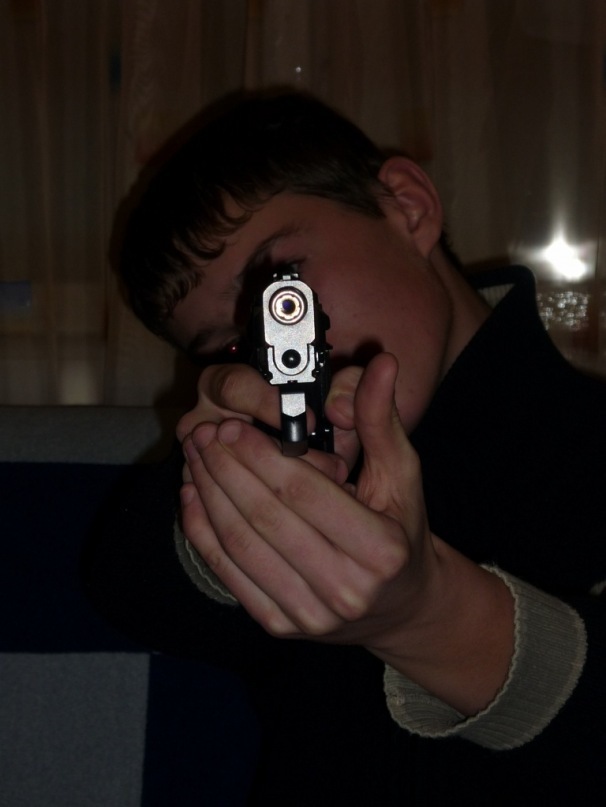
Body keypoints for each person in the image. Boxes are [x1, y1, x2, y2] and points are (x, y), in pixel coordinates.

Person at [87, 91, 605, 805]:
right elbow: (127, 581)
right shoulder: (297, 462)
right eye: (228, 345)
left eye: (283, 288)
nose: (274, 343)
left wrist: (429, 616)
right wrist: (231, 488)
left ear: (408, 207)